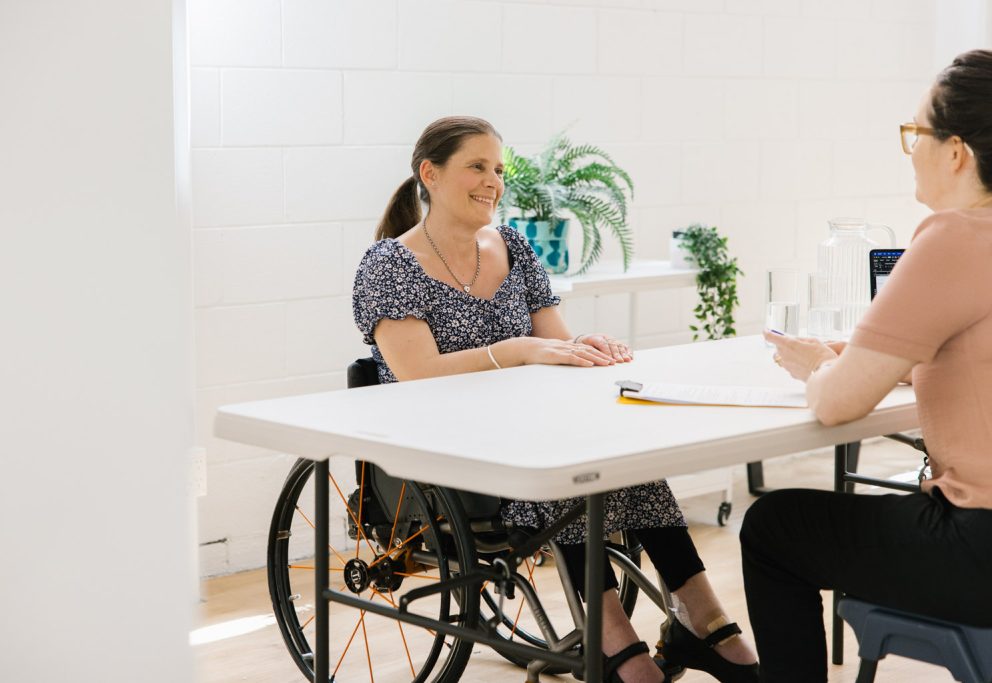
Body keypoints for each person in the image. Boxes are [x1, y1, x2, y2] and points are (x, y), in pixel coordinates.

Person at [353, 116, 758, 683]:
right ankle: (617, 643)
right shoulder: (388, 265)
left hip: (526, 427)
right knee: (562, 469)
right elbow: (419, 374)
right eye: (476, 166)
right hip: (444, 450)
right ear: (431, 174)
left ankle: (704, 619)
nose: (492, 180)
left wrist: (583, 347)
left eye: (497, 168)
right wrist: (517, 349)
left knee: (628, 455)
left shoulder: (513, 246)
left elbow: (554, 342)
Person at [743, 49, 992, 683]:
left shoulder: (954, 236)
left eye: (917, 134)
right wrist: (883, 363)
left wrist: (816, 370)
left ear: (957, 151)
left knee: (773, 525)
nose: (911, 149)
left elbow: (835, 405)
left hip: (980, 549)